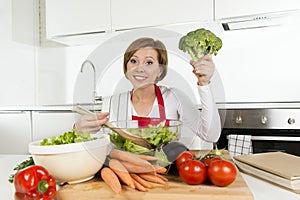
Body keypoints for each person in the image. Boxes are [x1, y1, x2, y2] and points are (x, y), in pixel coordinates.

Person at [74, 37, 221, 149]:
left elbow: (211, 135)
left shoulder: (174, 98)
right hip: (128, 178)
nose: (139, 68)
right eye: (133, 61)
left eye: (149, 62)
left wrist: (204, 84)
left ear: (160, 70)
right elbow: (99, 148)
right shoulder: (111, 103)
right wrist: (78, 131)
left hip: (167, 173)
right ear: (126, 68)